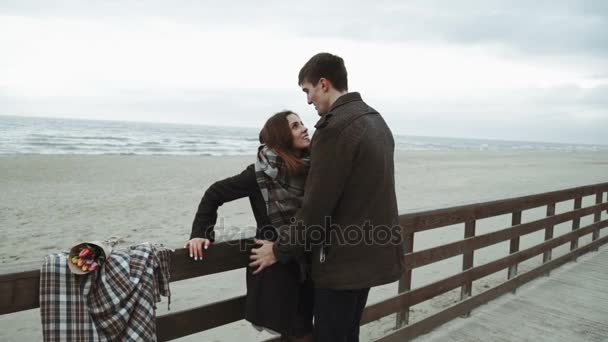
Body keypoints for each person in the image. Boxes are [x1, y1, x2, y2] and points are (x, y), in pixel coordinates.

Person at [250, 53, 406, 342]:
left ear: (323, 84)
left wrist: (279, 250)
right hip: (371, 257)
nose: (308, 100)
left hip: (341, 266)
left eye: (307, 91)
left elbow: (315, 209)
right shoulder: (376, 120)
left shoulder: (334, 129)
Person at [185, 110, 314, 342]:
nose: (304, 128)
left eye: (302, 123)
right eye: (295, 126)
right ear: (282, 136)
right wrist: (200, 233)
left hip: (310, 259)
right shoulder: (260, 174)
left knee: (309, 329)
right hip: (278, 266)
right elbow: (215, 193)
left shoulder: (315, 166)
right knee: (298, 332)